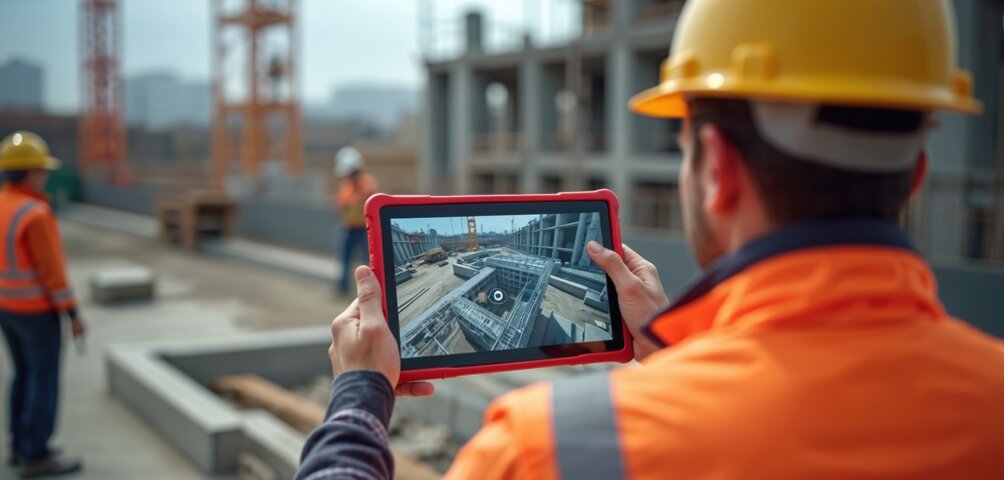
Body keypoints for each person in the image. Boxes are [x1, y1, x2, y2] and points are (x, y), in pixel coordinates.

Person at [297, 1, 1004, 478]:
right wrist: (676, 352)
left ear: (717, 169)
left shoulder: (548, 448)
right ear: (916, 175)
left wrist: (358, 398)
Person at [0, 131, 85, 478]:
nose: (46, 176)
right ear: (31, 172)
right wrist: (73, 314)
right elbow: (53, 274)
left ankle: (18, 445)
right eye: (42, 170)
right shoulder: (35, 214)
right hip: (36, 313)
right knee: (43, 380)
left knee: (22, 375)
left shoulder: (3, 205)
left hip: (6, 309)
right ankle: (36, 455)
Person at [332, 147, 379, 295]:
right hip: (348, 228)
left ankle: (371, 290)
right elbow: (341, 203)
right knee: (344, 260)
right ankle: (342, 288)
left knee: (369, 261)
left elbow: (370, 201)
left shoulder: (368, 183)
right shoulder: (346, 185)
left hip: (365, 229)